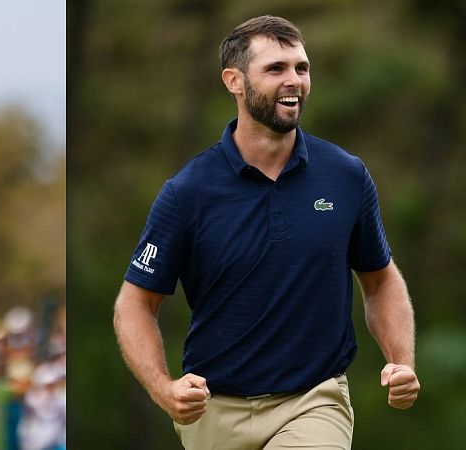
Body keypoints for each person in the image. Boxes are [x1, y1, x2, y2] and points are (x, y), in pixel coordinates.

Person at [113, 15, 420, 450]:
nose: (294, 80)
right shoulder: (188, 191)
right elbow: (135, 302)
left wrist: (401, 363)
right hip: (214, 411)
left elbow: (380, 278)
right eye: (275, 69)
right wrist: (163, 388)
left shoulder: (346, 176)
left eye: (301, 67)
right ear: (234, 81)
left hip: (314, 401)